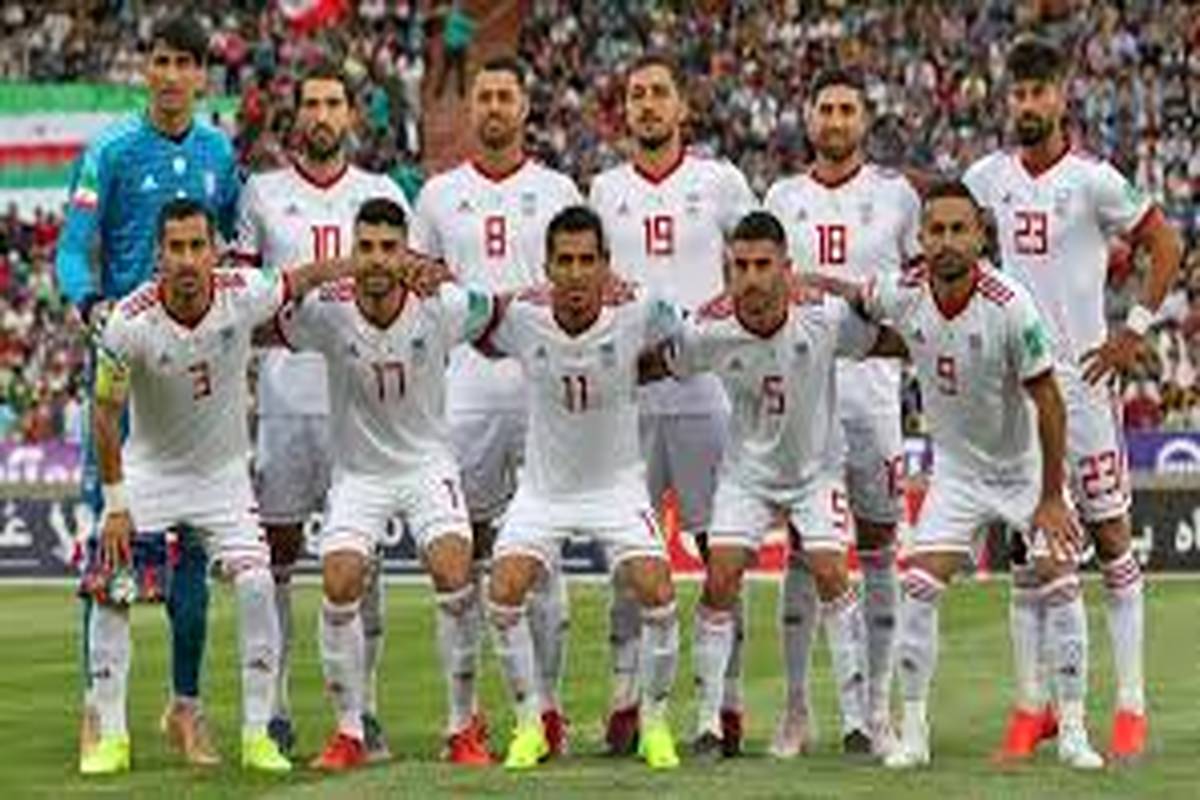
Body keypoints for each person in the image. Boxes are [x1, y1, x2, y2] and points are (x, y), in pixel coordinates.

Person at [807, 180, 1102, 770]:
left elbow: (1049, 401)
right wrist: (810, 283)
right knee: (918, 588)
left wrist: (1051, 497)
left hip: (1023, 471)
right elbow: (860, 297)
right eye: (935, 230)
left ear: (980, 237)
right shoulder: (903, 290)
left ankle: (1072, 729)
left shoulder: (1010, 304)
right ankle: (914, 733)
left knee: (1058, 578)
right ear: (920, 238)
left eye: (958, 230)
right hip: (958, 475)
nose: (946, 241)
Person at [80, 198, 369, 775]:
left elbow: (304, 277)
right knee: (113, 588)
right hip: (150, 476)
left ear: (215, 251)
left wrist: (365, 264)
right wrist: (115, 504)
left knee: (258, 584)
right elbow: (105, 414)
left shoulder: (245, 291)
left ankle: (258, 734)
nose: (188, 260)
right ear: (158, 255)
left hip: (223, 480)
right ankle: (110, 734)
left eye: (198, 246)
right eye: (176, 248)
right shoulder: (128, 322)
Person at [963, 37, 1183, 761]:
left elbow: (1167, 243)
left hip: (1085, 391)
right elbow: (938, 227)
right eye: (1018, 93)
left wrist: (1134, 330)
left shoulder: (1093, 181)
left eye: (1039, 92)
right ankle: (1036, 709)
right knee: (1029, 554)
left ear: (1062, 96)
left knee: (1113, 537)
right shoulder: (987, 178)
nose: (1027, 104)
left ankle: (1131, 705)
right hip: (1018, 391)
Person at [55, 14, 240, 768]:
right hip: (125, 367)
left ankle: (184, 709)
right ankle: (100, 714)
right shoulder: (109, 151)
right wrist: (92, 305)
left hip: (192, 380)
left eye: (184, 63)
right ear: (146, 68)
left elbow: (232, 245)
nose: (170, 75)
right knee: (116, 542)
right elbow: (72, 250)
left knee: (191, 551)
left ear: (201, 75)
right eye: (160, 60)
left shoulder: (219, 153)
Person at [265, 198, 492, 771]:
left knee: (455, 571)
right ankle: (349, 732)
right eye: (365, 247)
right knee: (339, 580)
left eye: (388, 248)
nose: (375, 259)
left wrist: (446, 274)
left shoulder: (440, 304)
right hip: (359, 474)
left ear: (405, 251)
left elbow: (494, 315)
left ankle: (462, 726)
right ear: (352, 249)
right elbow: (268, 323)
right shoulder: (327, 309)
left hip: (427, 466)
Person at [233, 61, 413, 761]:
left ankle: (366, 709)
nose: (321, 114)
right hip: (287, 402)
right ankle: (275, 709)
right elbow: (241, 300)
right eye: (311, 102)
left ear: (351, 114)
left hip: (365, 407)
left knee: (360, 559)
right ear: (296, 114)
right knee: (276, 556)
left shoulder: (381, 192)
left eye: (333, 102)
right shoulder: (262, 193)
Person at [410, 55, 581, 761]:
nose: (494, 107)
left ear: (525, 106)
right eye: (484, 96)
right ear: (471, 107)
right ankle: (469, 713)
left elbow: (579, 285)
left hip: (541, 385)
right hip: (468, 387)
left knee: (541, 553)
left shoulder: (559, 189)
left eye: (506, 95)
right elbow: (419, 288)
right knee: (467, 550)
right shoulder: (438, 196)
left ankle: (548, 708)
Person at [588, 51, 756, 756]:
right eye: (637, 94)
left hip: (705, 391)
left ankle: (724, 704)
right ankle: (626, 702)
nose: (649, 104)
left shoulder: (721, 181)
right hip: (627, 397)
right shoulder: (603, 189)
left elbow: (760, 263)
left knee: (722, 552)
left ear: (683, 106)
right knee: (628, 555)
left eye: (660, 92)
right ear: (625, 109)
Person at [660, 210, 875, 760]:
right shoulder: (705, 328)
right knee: (720, 576)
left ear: (786, 268)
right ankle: (708, 723)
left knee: (830, 571)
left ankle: (859, 722)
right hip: (747, 473)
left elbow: (887, 333)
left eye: (763, 265)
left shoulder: (824, 315)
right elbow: (660, 363)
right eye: (741, 266)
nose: (751, 278)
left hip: (816, 469)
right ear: (728, 270)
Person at [480, 206, 682, 771]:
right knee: (503, 590)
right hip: (544, 490)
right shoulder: (521, 314)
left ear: (605, 265)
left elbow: (684, 338)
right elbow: (473, 324)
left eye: (586, 260)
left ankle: (655, 724)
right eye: (564, 261)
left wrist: (639, 371)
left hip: (617, 486)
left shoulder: (640, 308)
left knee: (658, 592)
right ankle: (531, 724)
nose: (574, 273)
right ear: (546, 266)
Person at [763, 67, 921, 757]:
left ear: (864, 118)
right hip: (803, 399)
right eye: (824, 108)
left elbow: (917, 295)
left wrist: (847, 289)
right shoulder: (782, 196)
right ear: (809, 118)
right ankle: (797, 709)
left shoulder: (897, 196)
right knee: (804, 551)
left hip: (875, 397)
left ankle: (877, 708)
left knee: (880, 548)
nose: (834, 120)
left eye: (846, 109)